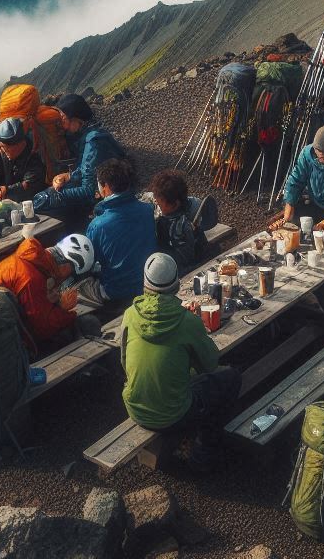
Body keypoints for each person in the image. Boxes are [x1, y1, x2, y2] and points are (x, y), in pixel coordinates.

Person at [121, 253, 242, 472]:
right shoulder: (187, 321)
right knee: (231, 377)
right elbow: (210, 364)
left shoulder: (130, 314)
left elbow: (123, 361)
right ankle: (205, 449)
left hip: (135, 407)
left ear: (145, 284)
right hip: (174, 414)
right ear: (177, 285)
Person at [0, 232, 101, 353]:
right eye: (70, 274)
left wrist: (49, 300)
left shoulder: (31, 260)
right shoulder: (30, 277)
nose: (67, 278)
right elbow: (42, 328)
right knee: (85, 325)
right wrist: (66, 311)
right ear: (66, 266)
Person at [71, 157, 156, 313]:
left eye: (99, 184)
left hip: (116, 291)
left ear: (106, 187)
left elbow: (90, 263)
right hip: (148, 282)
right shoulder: (147, 210)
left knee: (69, 291)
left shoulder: (98, 225)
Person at [31, 94, 124, 220]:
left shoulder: (94, 141)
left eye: (63, 118)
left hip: (105, 198)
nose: (62, 125)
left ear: (76, 119)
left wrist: (54, 196)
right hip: (101, 191)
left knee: (44, 201)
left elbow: (89, 190)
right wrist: (69, 176)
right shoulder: (89, 135)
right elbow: (87, 169)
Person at [146, 169, 215, 266]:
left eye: (160, 201)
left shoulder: (178, 225)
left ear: (175, 204)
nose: (157, 202)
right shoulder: (189, 206)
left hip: (177, 268)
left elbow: (183, 258)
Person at [0, 117, 48, 203]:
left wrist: (7, 190)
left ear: (20, 144)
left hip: (35, 202)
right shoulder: (2, 151)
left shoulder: (34, 154)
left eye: (6, 148)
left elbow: (29, 185)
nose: (3, 151)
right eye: (1, 146)